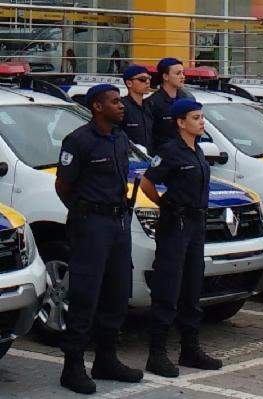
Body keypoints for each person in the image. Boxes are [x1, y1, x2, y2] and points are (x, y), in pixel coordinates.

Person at [55, 84, 143, 394]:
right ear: (97, 106)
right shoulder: (79, 141)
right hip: (91, 224)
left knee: (117, 293)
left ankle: (106, 358)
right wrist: (86, 213)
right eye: (115, 102)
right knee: (85, 295)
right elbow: (63, 185)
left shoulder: (119, 138)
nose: (121, 106)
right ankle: (73, 366)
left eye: (121, 101)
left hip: (118, 223)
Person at [139, 99, 223, 377]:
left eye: (202, 117)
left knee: (191, 286)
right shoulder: (170, 151)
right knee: (168, 287)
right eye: (196, 117)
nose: (201, 122)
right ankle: (157, 353)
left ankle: (190, 348)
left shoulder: (197, 150)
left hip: (196, 224)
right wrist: (163, 204)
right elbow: (148, 182)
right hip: (176, 223)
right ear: (180, 122)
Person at [146, 58, 194, 152]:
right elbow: (149, 136)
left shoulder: (187, 99)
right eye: (178, 73)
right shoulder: (153, 103)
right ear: (165, 76)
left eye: (183, 73)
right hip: (164, 156)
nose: (182, 76)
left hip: (186, 155)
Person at [120, 65, 154, 151]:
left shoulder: (149, 106)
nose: (147, 82)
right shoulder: (122, 107)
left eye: (149, 78)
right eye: (142, 79)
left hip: (149, 159)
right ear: (129, 83)